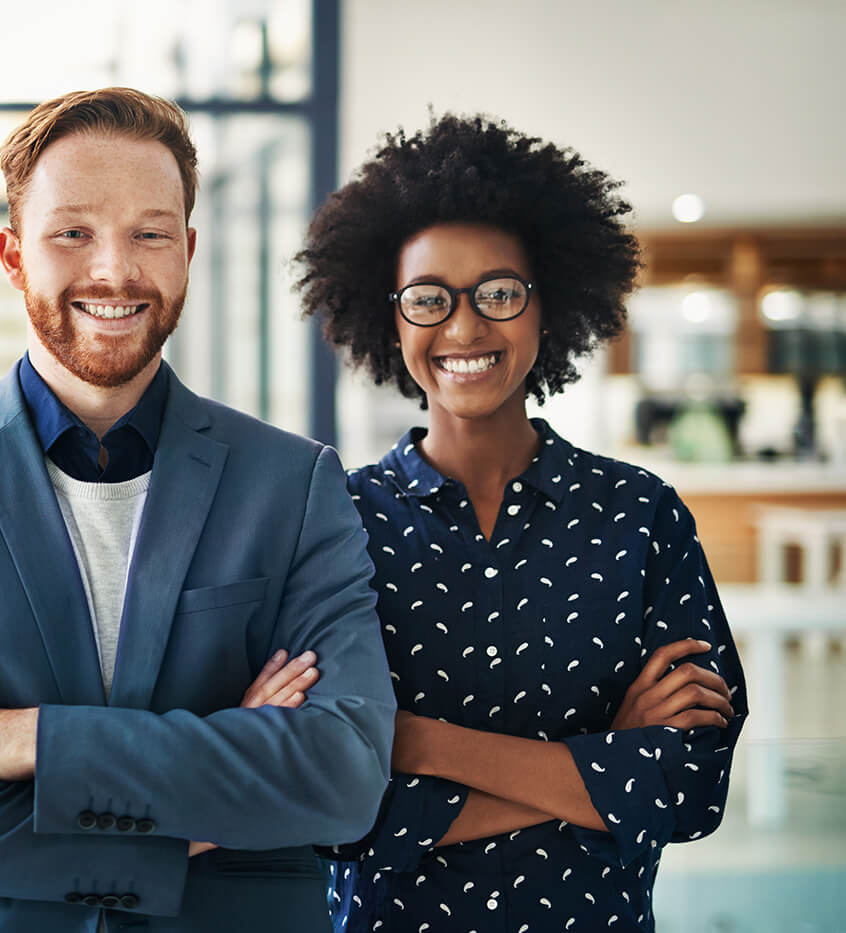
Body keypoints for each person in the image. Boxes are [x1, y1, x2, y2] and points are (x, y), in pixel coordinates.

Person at [0, 87, 397, 933]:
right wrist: (196, 797)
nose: (115, 271)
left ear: (188, 250)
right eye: (73, 233)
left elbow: (341, 777)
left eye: (149, 234)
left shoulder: (295, 485)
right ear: (15, 256)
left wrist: (30, 740)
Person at [295, 113, 747, 932]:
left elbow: (687, 788)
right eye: (429, 298)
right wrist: (602, 765)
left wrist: (416, 743)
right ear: (391, 319)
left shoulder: (640, 516)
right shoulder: (334, 523)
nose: (465, 327)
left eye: (499, 292)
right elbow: (330, 808)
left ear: (549, 307)